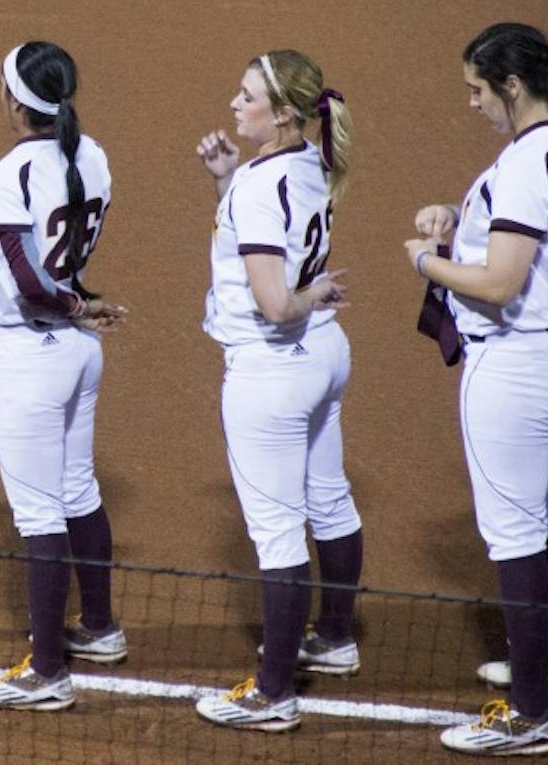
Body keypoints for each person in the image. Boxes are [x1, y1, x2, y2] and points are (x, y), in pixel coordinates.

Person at [405, 23, 548, 757]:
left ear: (513, 86)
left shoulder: (525, 161)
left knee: (516, 530)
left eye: (479, 90)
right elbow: (525, 243)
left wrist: (427, 259)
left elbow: (499, 281)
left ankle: (529, 710)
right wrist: (458, 226)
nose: (474, 103)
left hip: (517, 365)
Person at [194, 50, 363, 734]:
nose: (235, 105)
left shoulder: (259, 187)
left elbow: (272, 302)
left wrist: (304, 293)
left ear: (284, 112)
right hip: (323, 354)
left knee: (276, 529)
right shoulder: (307, 161)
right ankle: (337, 636)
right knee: (329, 497)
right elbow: (274, 240)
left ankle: (272, 694)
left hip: (272, 369)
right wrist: (229, 177)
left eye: (247, 97)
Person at [0, 42, 128, 712]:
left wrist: (74, 302)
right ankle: (100, 626)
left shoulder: (10, 171)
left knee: (38, 511)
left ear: (14, 101)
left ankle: (48, 671)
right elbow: (50, 245)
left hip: (33, 354)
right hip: (78, 352)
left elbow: (31, 281)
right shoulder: (91, 156)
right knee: (76, 488)